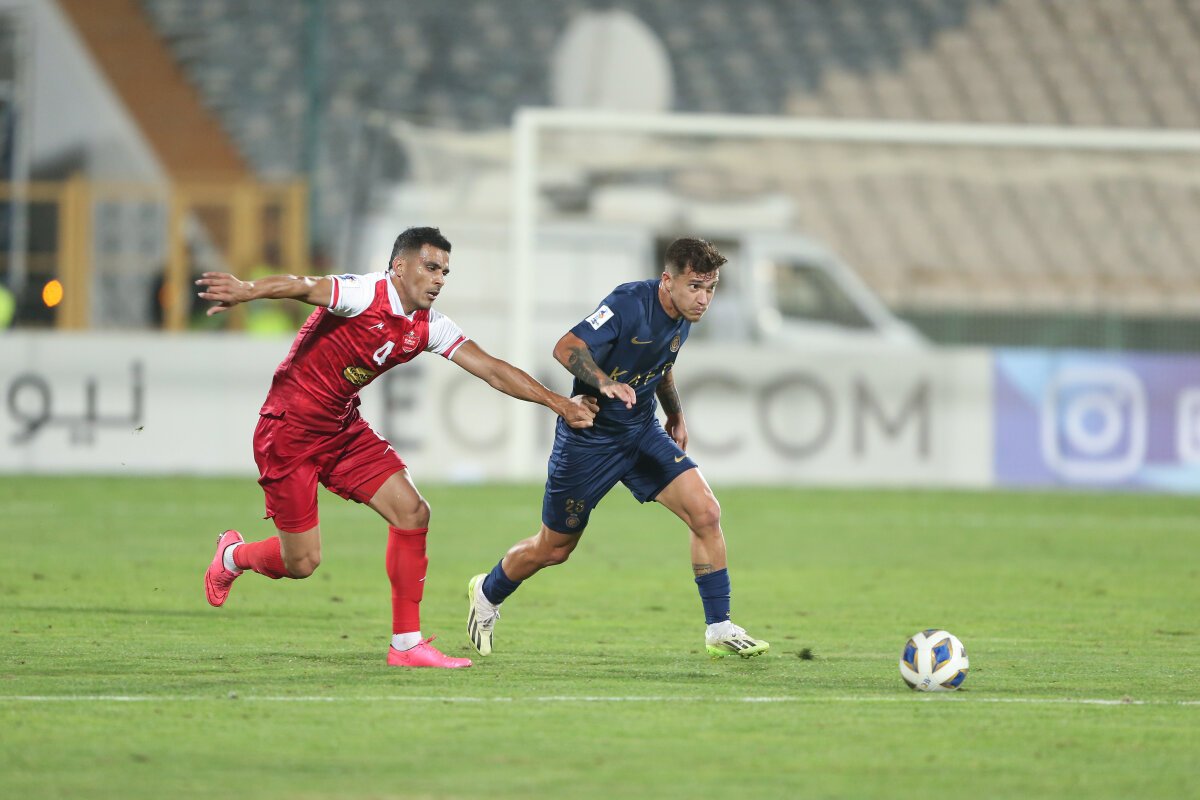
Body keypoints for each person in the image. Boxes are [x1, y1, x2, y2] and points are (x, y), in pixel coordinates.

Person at [197, 226, 598, 669]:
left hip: (341, 430)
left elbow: (491, 369)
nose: (439, 279)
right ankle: (233, 555)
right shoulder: (363, 293)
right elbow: (304, 285)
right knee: (303, 562)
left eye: (445, 272)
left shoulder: (429, 326)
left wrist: (559, 403)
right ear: (399, 267)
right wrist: (247, 290)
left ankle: (406, 644)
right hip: (288, 431)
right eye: (431, 267)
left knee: (413, 512)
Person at [466, 237, 769, 659]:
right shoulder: (629, 304)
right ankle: (487, 591)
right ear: (667, 281)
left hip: (641, 431)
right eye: (695, 286)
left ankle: (719, 627)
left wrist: (675, 414)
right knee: (554, 548)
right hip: (589, 440)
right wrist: (604, 382)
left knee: (706, 512)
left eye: (711, 288)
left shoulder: (683, 315)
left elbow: (661, 365)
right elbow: (566, 347)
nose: (704, 299)